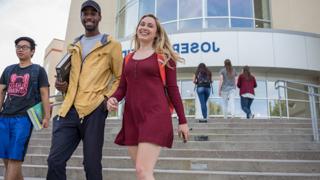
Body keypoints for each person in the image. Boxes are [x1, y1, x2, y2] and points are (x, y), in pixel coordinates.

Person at [107, 14, 189, 180]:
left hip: (155, 115)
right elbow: (122, 87)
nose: (144, 27)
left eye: (150, 26)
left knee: (142, 171)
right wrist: (113, 98)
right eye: (142, 24)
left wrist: (182, 121)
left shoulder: (165, 57)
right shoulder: (128, 58)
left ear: (157, 33)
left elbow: (173, 90)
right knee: (143, 173)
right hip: (131, 118)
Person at [46, 1, 123, 180]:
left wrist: (106, 99)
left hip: (94, 110)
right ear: (81, 17)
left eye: (93, 13)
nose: (89, 16)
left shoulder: (111, 44)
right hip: (68, 110)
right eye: (85, 13)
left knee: (92, 164)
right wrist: (62, 87)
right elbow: (71, 79)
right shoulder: (74, 46)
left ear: (99, 17)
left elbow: (120, 77)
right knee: (55, 161)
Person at [0, 36, 50, 180]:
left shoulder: (38, 70)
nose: (20, 49)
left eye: (24, 47)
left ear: (32, 51)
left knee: (15, 156)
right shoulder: (9, 70)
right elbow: (1, 91)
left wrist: (46, 117)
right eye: (18, 47)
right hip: (4, 117)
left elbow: (44, 93)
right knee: (6, 157)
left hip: (24, 118)